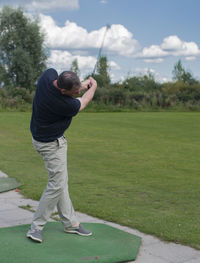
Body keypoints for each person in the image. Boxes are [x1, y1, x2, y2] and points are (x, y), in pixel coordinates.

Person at [27, 68, 97, 243]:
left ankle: (71, 223)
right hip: (50, 144)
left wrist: (82, 84)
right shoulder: (63, 104)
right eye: (75, 91)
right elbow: (83, 102)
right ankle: (36, 227)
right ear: (63, 91)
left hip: (44, 138)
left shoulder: (48, 76)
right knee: (56, 184)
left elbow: (74, 87)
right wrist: (92, 87)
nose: (78, 92)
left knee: (61, 183)